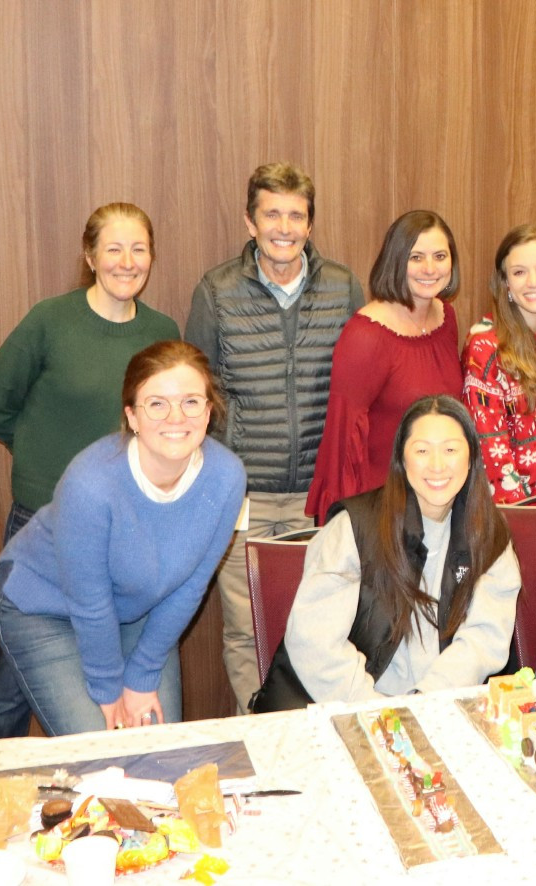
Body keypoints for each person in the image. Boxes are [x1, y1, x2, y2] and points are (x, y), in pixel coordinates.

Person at [0, 202, 179, 741]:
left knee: (113, 660)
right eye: (114, 248)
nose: (127, 262)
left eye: (139, 249)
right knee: (14, 680)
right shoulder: (49, 321)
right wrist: (39, 454)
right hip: (46, 526)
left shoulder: (162, 331)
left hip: (125, 534)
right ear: (90, 256)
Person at [0, 341, 245, 737]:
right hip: (42, 604)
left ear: (208, 412)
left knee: (156, 743)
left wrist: (141, 677)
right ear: (132, 416)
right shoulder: (91, 482)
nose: (176, 417)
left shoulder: (228, 478)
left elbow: (190, 586)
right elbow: (89, 600)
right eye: (156, 404)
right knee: (105, 748)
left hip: (134, 608)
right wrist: (107, 689)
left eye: (190, 402)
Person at [186, 162, 364, 713]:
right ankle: (258, 729)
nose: (284, 227)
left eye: (296, 215)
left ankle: (317, 731)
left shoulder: (341, 286)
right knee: (246, 627)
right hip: (246, 497)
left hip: (321, 496)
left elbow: (362, 380)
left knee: (324, 625)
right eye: (272, 214)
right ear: (250, 220)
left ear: (310, 224)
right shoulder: (216, 291)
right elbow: (199, 389)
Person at [252, 396, 520, 710]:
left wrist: (426, 701)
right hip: (347, 704)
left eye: (450, 449)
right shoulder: (354, 527)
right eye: (422, 450)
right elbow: (315, 641)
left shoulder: (489, 532)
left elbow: (484, 637)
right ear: (401, 459)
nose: (437, 464)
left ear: (472, 456)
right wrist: (377, 711)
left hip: (440, 704)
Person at [307, 211, 463, 520]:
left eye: (439, 256)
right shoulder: (366, 335)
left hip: (435, 499)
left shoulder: (446, 318)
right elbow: (343, 440)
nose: (430, 268)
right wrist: (343, 523)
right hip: (381, 510)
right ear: (395, 260)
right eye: (416, 257)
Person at [462, 223, 536, 503]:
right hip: (508, 509)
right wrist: (527, 517)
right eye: (519, 272)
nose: (533, 282)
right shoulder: (485, 347)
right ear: (505, 283)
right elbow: (490, 451)